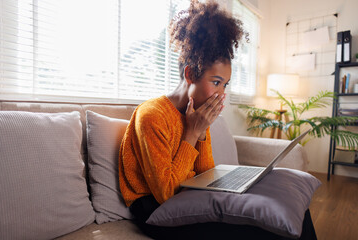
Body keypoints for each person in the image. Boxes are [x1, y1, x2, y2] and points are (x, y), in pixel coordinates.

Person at [118, 1, 317, 239]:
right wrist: (192, 133)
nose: (222, 94)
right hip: (155, 210)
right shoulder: (152, 115)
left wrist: (201, 133)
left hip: (189, 196)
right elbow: (165, 193)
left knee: (291, 208)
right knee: (270, 230)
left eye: (225, 84)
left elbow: (206, 174)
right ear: (190, 74)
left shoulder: (198, 114)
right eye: (216, 82)